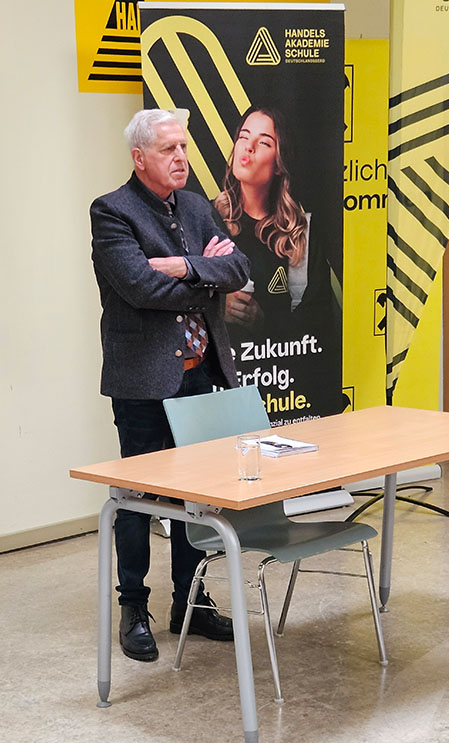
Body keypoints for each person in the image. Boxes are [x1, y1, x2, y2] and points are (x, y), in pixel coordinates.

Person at [90, 108, 251, 662]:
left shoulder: (198, 206)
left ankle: (192, 602)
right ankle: (134, 606)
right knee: (136, 499)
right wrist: (205, 272)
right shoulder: (112, 211)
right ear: (140, 158)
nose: (181, 157)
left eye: (182, 147)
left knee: (197, 498)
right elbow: (139, 288)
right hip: (143, 381)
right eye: (168, 149)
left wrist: (181, 267)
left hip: (200, 373)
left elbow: (239, 270)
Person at [214, 106, 342, 417]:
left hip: (285, 394)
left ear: (280, 164)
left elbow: (320, 323)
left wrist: (263, 320)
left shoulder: (301, 233)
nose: (248, 148)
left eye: (264, 142)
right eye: (243, 137)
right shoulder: (205, 219)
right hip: (221, 393)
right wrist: (216, 306)